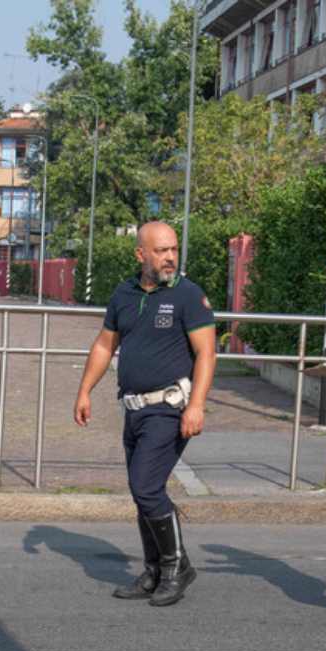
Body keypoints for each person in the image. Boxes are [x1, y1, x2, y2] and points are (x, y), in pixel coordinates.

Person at [73, 221, 216, 606]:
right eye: (161, 251)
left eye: (173, 249)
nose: (170, 257)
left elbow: (206, 353)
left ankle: (176, 567)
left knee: (147, 487)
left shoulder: (188, 296)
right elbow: (105, 345)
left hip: (169, 409)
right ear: (141, 254)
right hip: (133, 410)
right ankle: (154, 570)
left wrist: (197, 405)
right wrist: (85, 390)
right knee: (143, 493)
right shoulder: (124, 293)